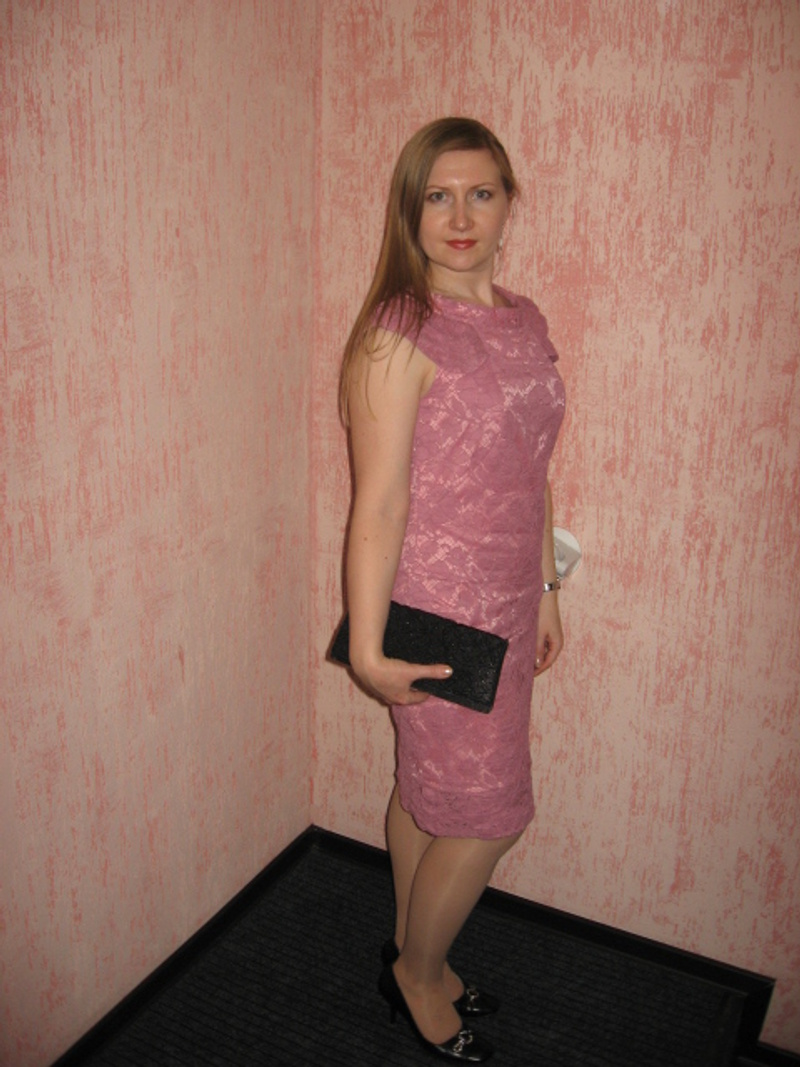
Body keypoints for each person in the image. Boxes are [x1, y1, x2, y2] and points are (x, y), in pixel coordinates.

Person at [339, 117, 566, 1063]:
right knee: (493, 813)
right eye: (438, 196)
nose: (461, 216)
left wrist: (547, 585)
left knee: (428, 791)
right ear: (411, 211)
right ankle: (420, 972)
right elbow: (380, 500)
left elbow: (534, 466)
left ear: (510, 203)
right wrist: (365, 646)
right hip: (436, 614)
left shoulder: (525, 319)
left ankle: (410, 946)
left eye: (480, 193)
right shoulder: (398, 331)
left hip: (508, 602)